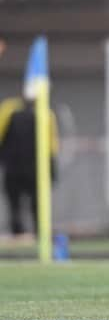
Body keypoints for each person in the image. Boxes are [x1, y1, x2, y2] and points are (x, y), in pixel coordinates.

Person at [0, 94, 59, 237]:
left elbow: (51, 143)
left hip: (25, 167)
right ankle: (26, 232)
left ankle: (28, 232)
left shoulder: (45, 113)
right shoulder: (9, 110)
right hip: (26, 167)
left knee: (26, 203)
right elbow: (52, 145)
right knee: (24, 203)